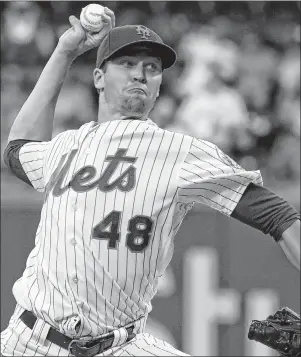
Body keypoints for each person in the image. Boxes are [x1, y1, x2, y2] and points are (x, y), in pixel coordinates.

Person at [1, 7, 300, 357]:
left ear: (159, 88)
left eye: (151, 69)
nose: (140, 74)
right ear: (98, 78)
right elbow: (17, 150)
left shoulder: (181, 152)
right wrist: (66, 51)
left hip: (120, 346)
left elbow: (277, 215)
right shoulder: (67, 145)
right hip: (28, 340)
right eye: (127, 64)